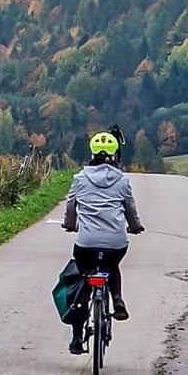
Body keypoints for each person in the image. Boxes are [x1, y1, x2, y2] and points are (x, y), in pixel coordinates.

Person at [61, 131, 144, 355]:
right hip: (116, 243)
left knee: (81, 276)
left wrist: (70, 224)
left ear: (92, 153)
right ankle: (117, 300)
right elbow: (130, 209)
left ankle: (77, 338)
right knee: (112, 266)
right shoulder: (123, 181)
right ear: (115, 155)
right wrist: (135, 226)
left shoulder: (80, 179)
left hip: (86, 244)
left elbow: (71, 206)